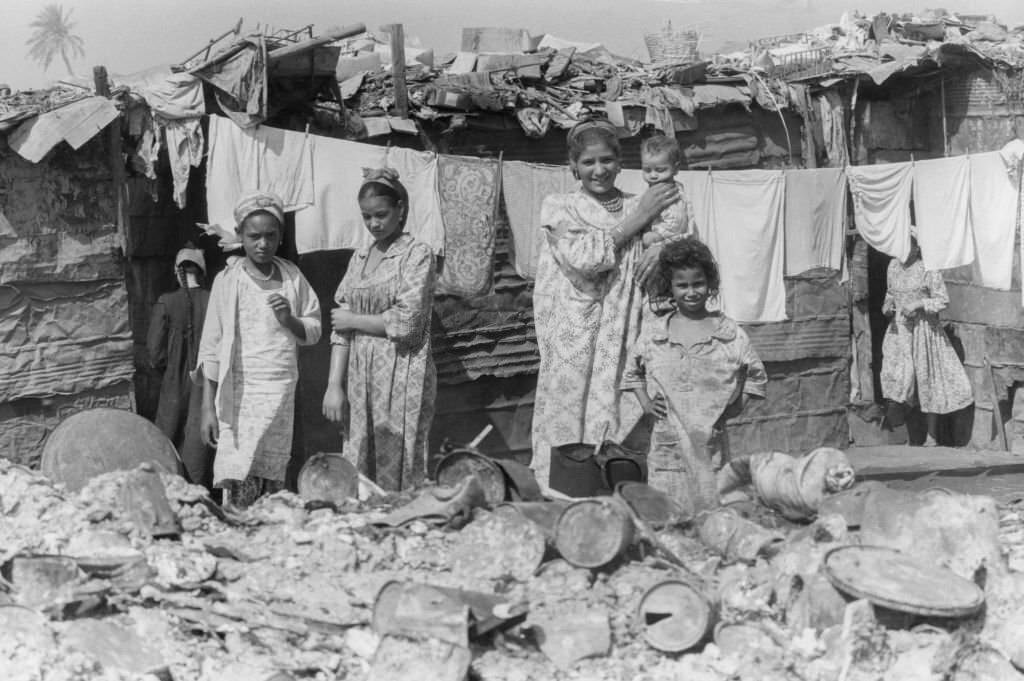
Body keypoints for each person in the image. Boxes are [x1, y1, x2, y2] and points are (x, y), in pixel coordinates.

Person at [531, 118, 680, 489]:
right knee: (570, 419)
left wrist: (662, 245)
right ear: (573, 167)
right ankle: (566, 499)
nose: (599, 170)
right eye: (588, 162)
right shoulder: (559, 207)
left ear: (620, 161)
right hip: (575, 335)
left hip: (629, 327)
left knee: (626, 408)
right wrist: (641, 217)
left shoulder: (643, 198)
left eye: (607, 160)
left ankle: (623, 493)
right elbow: (584, 256)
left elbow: (680, 236)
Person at [196, 191, 322, 508]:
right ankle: (239, 532)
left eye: (270, 236)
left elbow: (314, 329)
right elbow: (211, 346)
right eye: (254, 236)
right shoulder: (228, 281)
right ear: (240, 236)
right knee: (240, 469)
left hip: (280, 388)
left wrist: (288, 320)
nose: (262, 244)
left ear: (280, 236)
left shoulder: (292, 277)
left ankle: (268, 536)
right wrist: (207, 408)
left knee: (274, 472)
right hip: (239, 393)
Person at [622, 239, 766, 513]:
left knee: (712, 509)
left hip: (709, 443)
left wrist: (735, 408)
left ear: (710, 284)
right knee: (669, 516)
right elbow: (632, 372)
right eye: (682, 285)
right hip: (668, 445)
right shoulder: (655, 333)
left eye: (698, 283)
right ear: (670, 287)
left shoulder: (729, 334)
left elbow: (756, 375)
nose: (691, 292)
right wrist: (646, 403)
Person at [322, 168, 436, 492]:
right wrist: (334, 384)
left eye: (382, 215)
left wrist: (355, 320)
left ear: (400, 208)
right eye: (367, 217)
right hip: (359, 375)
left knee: (398, 452)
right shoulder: (359, 259)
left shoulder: (417, 254)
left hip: (401, 372)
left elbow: (408, 322)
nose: (374, 224)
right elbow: (339, 327)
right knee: (358, 448)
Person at [880, 232, 973, 446]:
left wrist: (919, 304)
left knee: (928, 380)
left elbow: (942, 300)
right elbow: (889, 294)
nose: (903, 251)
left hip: (925, 333)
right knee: (902, 381)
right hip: (900, 332)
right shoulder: (893, 267)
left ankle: (932, 436)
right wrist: (887, 307)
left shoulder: (928, 269)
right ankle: (910, 436)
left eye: (908, 245)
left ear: (917, 247)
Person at [147, 245, 213, 488]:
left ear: (177, 272)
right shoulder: (212, 300)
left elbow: (154, 352)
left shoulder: (166, 301)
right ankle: (196, 492)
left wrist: (166, 369)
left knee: (167, 434)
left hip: (173, 381)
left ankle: (167, 489)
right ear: (202, 272)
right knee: (198, 439)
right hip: (206, 380)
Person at [639, 134, 698, 248]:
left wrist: (657, 235)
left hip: (672, 242)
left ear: (675, 168)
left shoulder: (669, 193)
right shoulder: (655, 188)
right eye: (647, 170)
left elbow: (677, 222)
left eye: (660, 170)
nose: (653, 175)